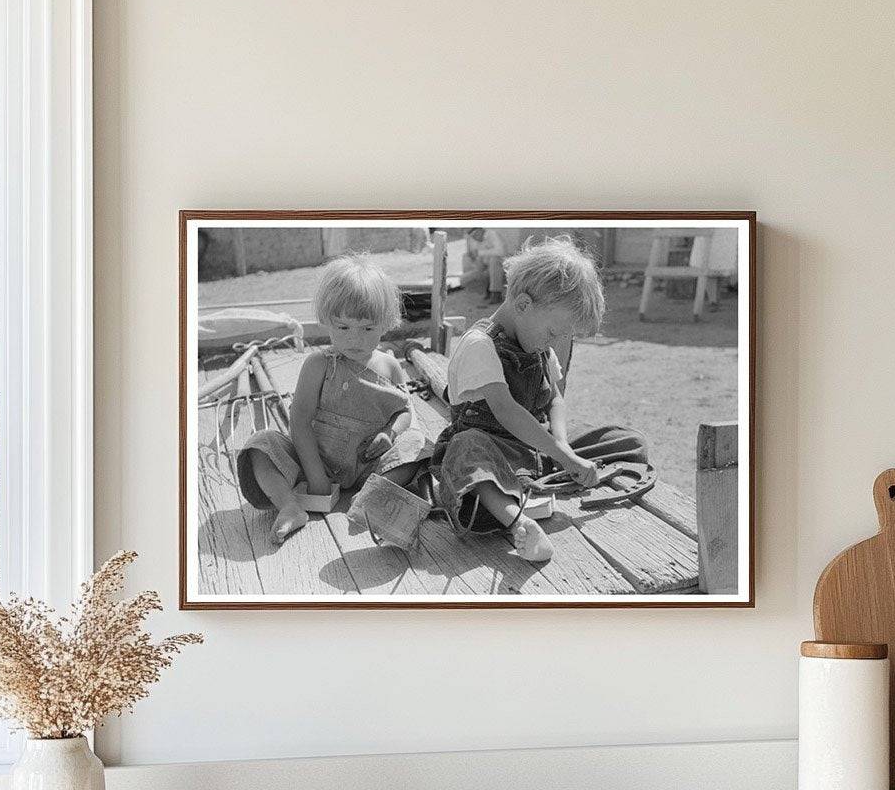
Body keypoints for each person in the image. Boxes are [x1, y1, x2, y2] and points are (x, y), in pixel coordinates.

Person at [431, 236, 647, 563]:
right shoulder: (479, 345)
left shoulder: (538, 345)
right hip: (494, 451)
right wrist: (562, 455)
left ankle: (534, 488)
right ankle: (518, 522)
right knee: (466, 449)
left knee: (629, 441)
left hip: (539, 449)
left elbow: (556, 397)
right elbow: (506, 412)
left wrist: (562, 444)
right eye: (553, 332)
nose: (556, 341)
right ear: (523, 305)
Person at [236, 255, 427, 543]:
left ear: (386, 323)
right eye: (343, 328)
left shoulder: (389, 365)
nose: (355, 339)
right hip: (315, 458)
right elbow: (299, 423)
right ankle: (289, 506)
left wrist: (390, 433)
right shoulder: (319, 365)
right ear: (326, 321)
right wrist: (315, 476)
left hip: (368, 464)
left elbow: (404, 412)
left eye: (367, 328)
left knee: (416, 444)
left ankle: (371, 497)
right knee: (260, 445)